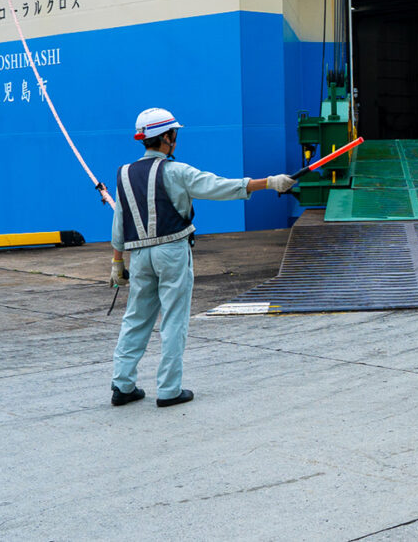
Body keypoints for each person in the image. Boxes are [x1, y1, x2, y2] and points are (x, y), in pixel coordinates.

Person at [108, 107, 295, 408]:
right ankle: (168, 390)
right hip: (172, 251)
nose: (176, 139)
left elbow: (119, 223)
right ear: (166, 137)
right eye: (175, 134)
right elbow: (220, 186)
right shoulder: (177, 172)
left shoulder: (124, 174)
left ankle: (122, 385)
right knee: (173, 320)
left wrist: (117, 263)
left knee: (135, 318)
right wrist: (270, 182)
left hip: (139, 255)